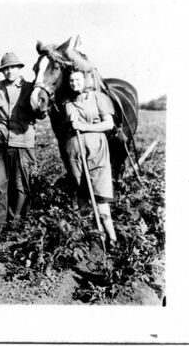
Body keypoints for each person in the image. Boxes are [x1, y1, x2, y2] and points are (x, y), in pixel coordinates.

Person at [0, 52, 39, 229]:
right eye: (6, 69)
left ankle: (16, 223)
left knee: (21, 186)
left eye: (13, 67)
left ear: (19, 69)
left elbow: (42, 109)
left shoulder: (31, 88)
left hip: (22, 143)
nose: (9, 72)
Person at [64, 68, 117, 246]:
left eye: (78, 80)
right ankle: (91, 237)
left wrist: (84, 126)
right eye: (71, 81)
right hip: (75, 150)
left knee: (99, 194)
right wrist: (72, 121)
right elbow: (70, 123)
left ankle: (111, 237)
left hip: (96, 149)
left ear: (86, 80)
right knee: (81, 194)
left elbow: (109, 124)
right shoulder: (69, 104)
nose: (74, 84)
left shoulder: (98, 98)